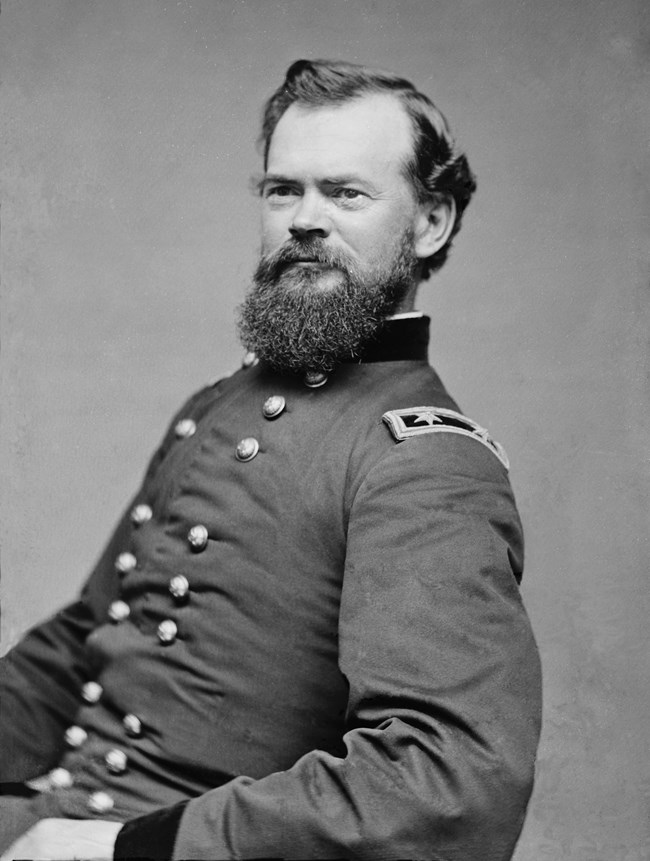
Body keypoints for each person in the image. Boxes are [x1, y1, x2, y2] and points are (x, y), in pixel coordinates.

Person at [0, 59, 542, 860]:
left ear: (431, 222)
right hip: (50, 811)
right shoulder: (216, 404)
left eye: (345, 193)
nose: (303, 218)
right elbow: (88, 637)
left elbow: (449, 780)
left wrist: (124, 850)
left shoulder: (424, 460)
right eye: (282, 190)